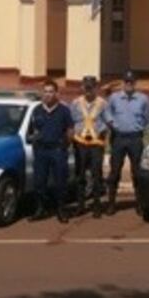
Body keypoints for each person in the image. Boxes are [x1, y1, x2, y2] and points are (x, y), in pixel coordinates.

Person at [104, 70, 149, 215]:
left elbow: (147, 117)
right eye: (126, 82)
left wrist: (139, 127)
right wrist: (112, 123)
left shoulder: (143, 99)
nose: (129, 84)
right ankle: (111, 203)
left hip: (135, 138)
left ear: (135, 83)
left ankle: (140, 204)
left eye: (131, 82)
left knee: (137, 172)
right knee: (114, 172)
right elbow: (107, 112)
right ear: (123, 83)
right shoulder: (114, 97)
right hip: (118, 138)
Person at [28, 79, 74, 223]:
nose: (48, 95)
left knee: (60, 182)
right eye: (45, 92)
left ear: (56, 93)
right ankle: (40, 209)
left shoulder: (64, 110)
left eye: (51, 92)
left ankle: (61, 210)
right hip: (41, 151)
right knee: (39, 182)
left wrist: (65, 145)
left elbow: (70, 130)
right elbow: (32, 130)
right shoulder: (37, 110)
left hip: (58, 151)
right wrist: (35, 140)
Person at [70, 75, 108, 218]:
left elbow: (108, 120)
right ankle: (80, 205)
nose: (88, 90)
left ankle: (96, 205)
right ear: (82, 87)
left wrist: (103, 133)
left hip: (96, 144)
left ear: (95, 88)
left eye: (91, 87)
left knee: (96, 175)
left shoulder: (103, 104)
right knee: (80, 175)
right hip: (80, 143)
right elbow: (71, 122)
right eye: (86, 87)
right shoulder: (75, 103)